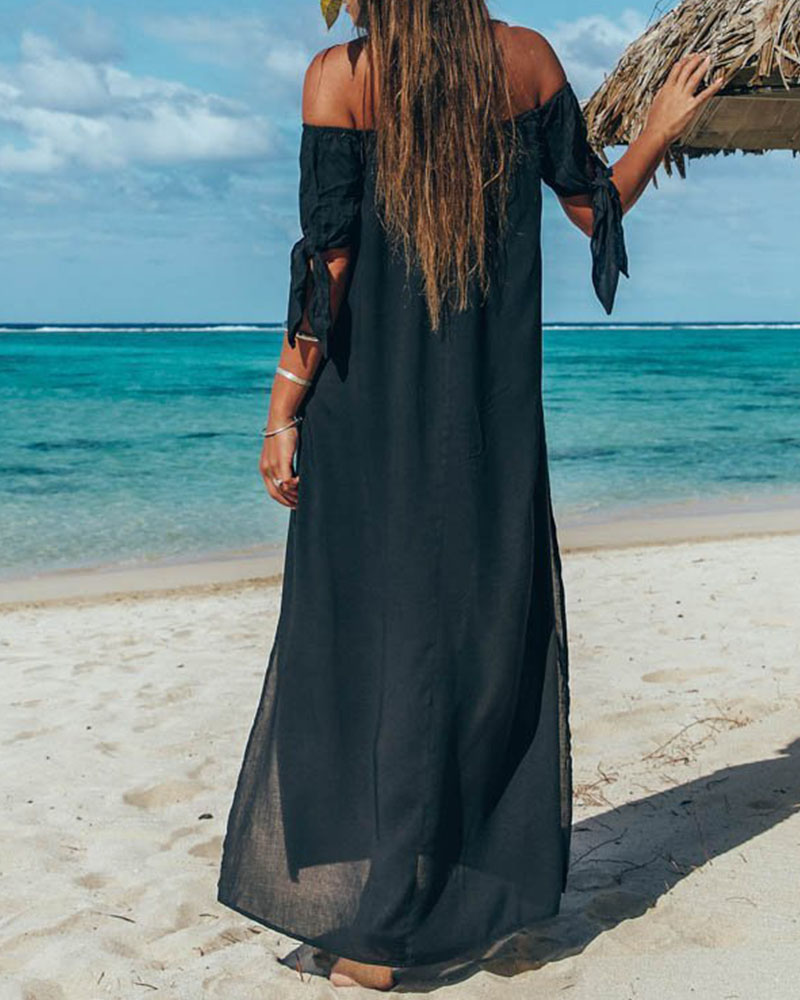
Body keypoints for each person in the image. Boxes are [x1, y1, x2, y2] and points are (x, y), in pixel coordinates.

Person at [217, 1, 723, 990]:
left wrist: (282, 409)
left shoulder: (341, 78)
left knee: (364, 644)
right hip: (485, 417)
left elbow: (329, 262)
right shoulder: (525, 60)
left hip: (365, 414)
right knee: (472, 641)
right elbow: (593, 209)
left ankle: (377, 930)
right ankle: (453, 892)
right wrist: (658, 130)